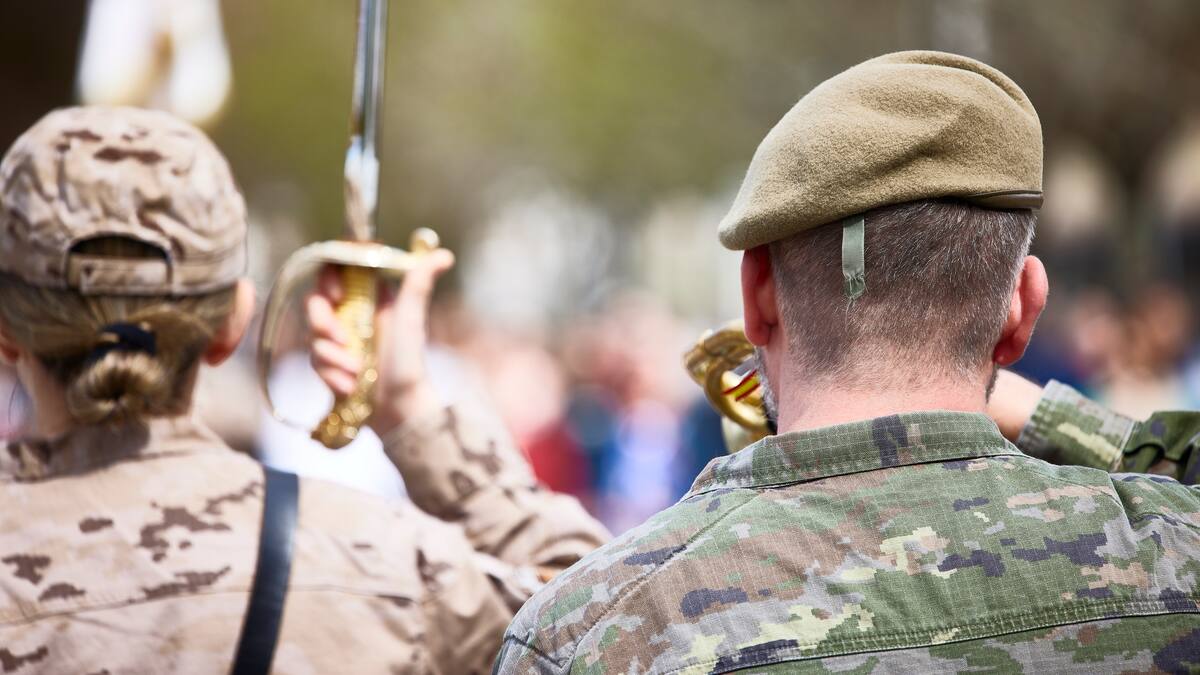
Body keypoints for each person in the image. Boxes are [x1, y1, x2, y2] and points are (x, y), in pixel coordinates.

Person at [493, 51, 1200, 673]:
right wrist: (1054, 416)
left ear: (757, 295)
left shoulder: (587, 633)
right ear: (1023, 304)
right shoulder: (1179, 554)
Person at [0, 106, 607, 674]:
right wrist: (409, 408)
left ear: (7, 329)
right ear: (234, 324)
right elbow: (608, 618)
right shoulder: (379, 562)